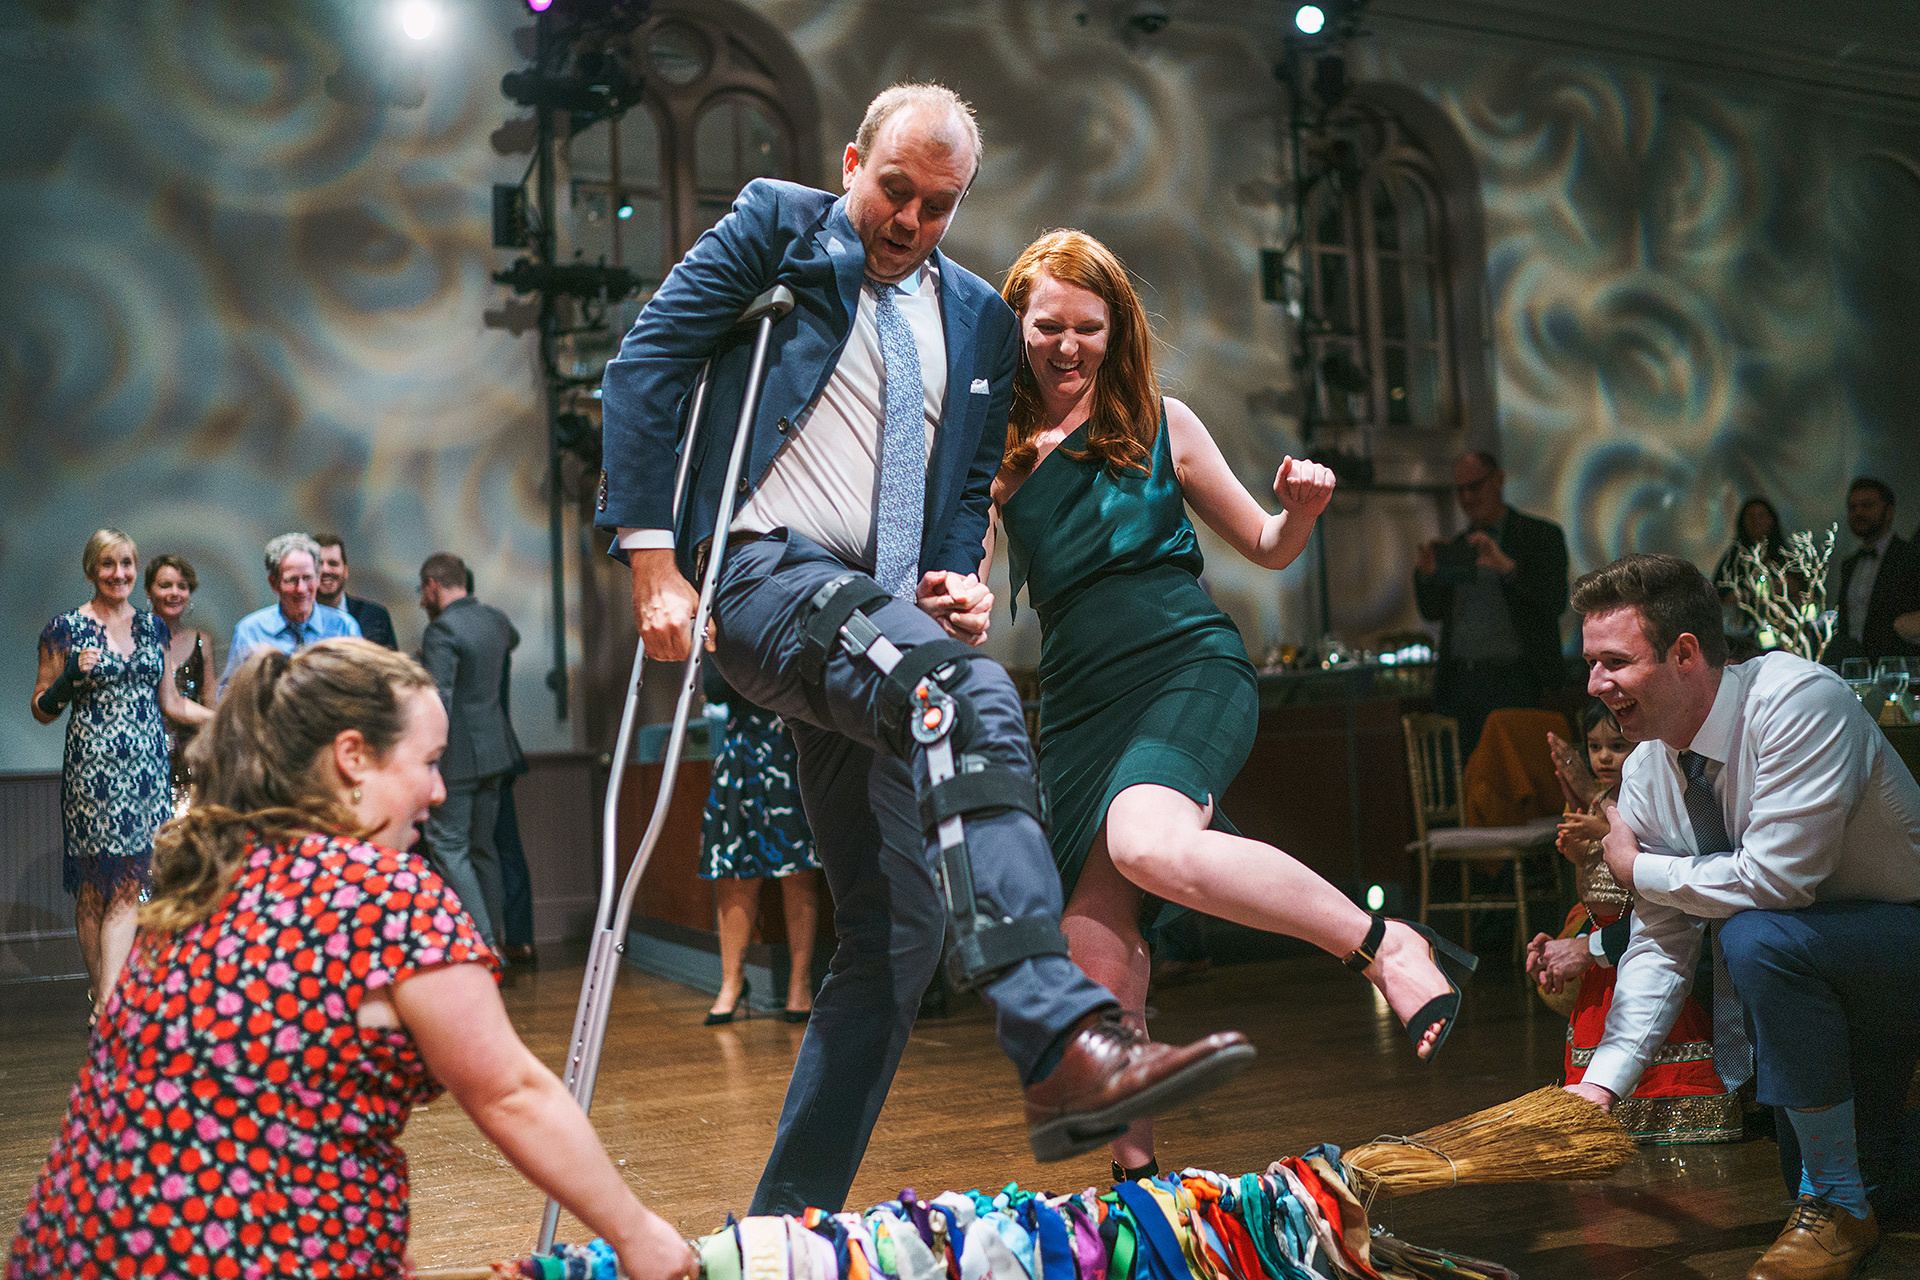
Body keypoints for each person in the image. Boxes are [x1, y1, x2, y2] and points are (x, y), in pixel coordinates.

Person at [597, 81, 1251, 1213]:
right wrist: (653, 558)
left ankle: (786, 1227)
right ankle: (1062, 1039)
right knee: (972, 697)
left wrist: (959, 580)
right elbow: (647, 363)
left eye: (937, 205)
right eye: (893, 189)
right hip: (765, 573)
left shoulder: (983, 319)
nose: (908, 219)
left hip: (876, 619)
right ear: (854, 161)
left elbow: (964, 484)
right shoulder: (776, 223)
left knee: (900, 933)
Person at [991, 229, 1472, 1181]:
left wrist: (1303, 511)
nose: (1069, 345)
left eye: (1090, 327)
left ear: (1116, 331)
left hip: (1186, 668)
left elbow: (1266, 544)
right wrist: (954, 601)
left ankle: (1387, 947)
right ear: (1017, 326)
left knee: (1147, 844)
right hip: (1079, 708)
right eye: (1049, 326)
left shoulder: (1162, 422)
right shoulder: (997, 458)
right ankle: (1140, 1189)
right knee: (1094, 954)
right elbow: (964, 578)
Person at [6, 640, 697, 1280]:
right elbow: (511, 1094)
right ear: (353, 757)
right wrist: (640, 1237)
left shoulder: (203, 881)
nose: (439, 792)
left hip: (68, 1251)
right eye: (429, 762)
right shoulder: (385, 895)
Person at [1563, 553, 1920, 1280]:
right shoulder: (1648, 767)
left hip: (1898, 934)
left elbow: (1776, 881)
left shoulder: (1797, 701)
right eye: (1591, 663)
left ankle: (1838, 1202)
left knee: (1755, 934)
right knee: (1881, 1185)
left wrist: (1636, 870)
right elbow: (1662, 938)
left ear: (1684, 653)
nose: (1595, 684)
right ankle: (1849, 1191)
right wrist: (1602, 1086)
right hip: (1815, 962)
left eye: (1614, 662)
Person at [1525, 701, 1737, 1145]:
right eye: (1594, 747)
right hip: (1616, 936)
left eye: (1617, 746)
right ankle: (1599, 1098)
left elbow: (1669, 910)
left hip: (1647, 937)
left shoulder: (1643, 796)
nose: (1604, 757)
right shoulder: (1601, 800)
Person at [29, 531, 212, 1016]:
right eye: (108, 564)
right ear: (92, 570)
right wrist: (70, 677)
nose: (119, 573)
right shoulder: (64, 629)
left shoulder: (153, 628)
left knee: (131, 884)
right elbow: (42, 709)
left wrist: (226, 718)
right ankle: (103, 994)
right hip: (94, 777)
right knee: (96, 889)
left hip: (147, 776)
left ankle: (108, 1006)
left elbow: (172, 702)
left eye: (127, 563)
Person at [1414, 451, 1570, 754]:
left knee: (1519, 771)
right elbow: (1433, 611)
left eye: (1475, 486)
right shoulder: (1460, 547)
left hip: (1517, 681)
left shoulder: (1540, 536)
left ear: (1498, 480)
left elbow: (1554, 601)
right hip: (1461, 684)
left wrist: (1507, 568)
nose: (1467, 497)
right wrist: (1427, 575)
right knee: (1468, 773)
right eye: (1460, 490)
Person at [700, 670, 821, 1024]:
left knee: (798, 867)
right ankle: (732, 982)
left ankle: (800, 984)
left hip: (793, 740)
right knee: (734, 869)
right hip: (742, 745)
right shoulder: (725, 630)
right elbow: (715, 689)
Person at [416, 552, 522, 951]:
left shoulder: (441, 630)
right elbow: (513, 640)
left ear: (432, 585)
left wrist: (428, 757)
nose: (422, 599)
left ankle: (483, 944)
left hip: (457, 757)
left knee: (448, 846)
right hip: (496, 751)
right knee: (483, 849)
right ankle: (497, 940)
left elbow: (439, 698)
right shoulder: (496, 620)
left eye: (422, 591)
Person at [219, 531, 361, 690]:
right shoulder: (251, 632)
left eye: (307, 578)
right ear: (273, 584)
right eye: (292, 580)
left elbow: (360, 690)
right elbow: (228, 694)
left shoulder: (344, 628)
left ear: (317, 578)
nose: (301, 589)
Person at [143, 553, 215, 803]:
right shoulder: (137, 637)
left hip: (189, 760)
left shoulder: (201, 641)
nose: (174, 593)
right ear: (149, 591)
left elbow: (209, 701)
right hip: (145, 757)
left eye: (182, 586)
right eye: (165, 585)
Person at [1832, 477, 1920, 664]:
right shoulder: (1849, 564)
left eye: (1867, 505)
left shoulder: (1911, 557)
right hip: (1854, 667)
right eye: (1852, 507)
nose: (1858, 512)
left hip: (1898, 667)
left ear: (1889, 511)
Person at [315, 532, 399, 649]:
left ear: (345, 571)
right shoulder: (297, 620)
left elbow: (390, 660)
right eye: (319, 565)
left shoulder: (375, 617)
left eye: (333, 564)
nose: (326, 570)